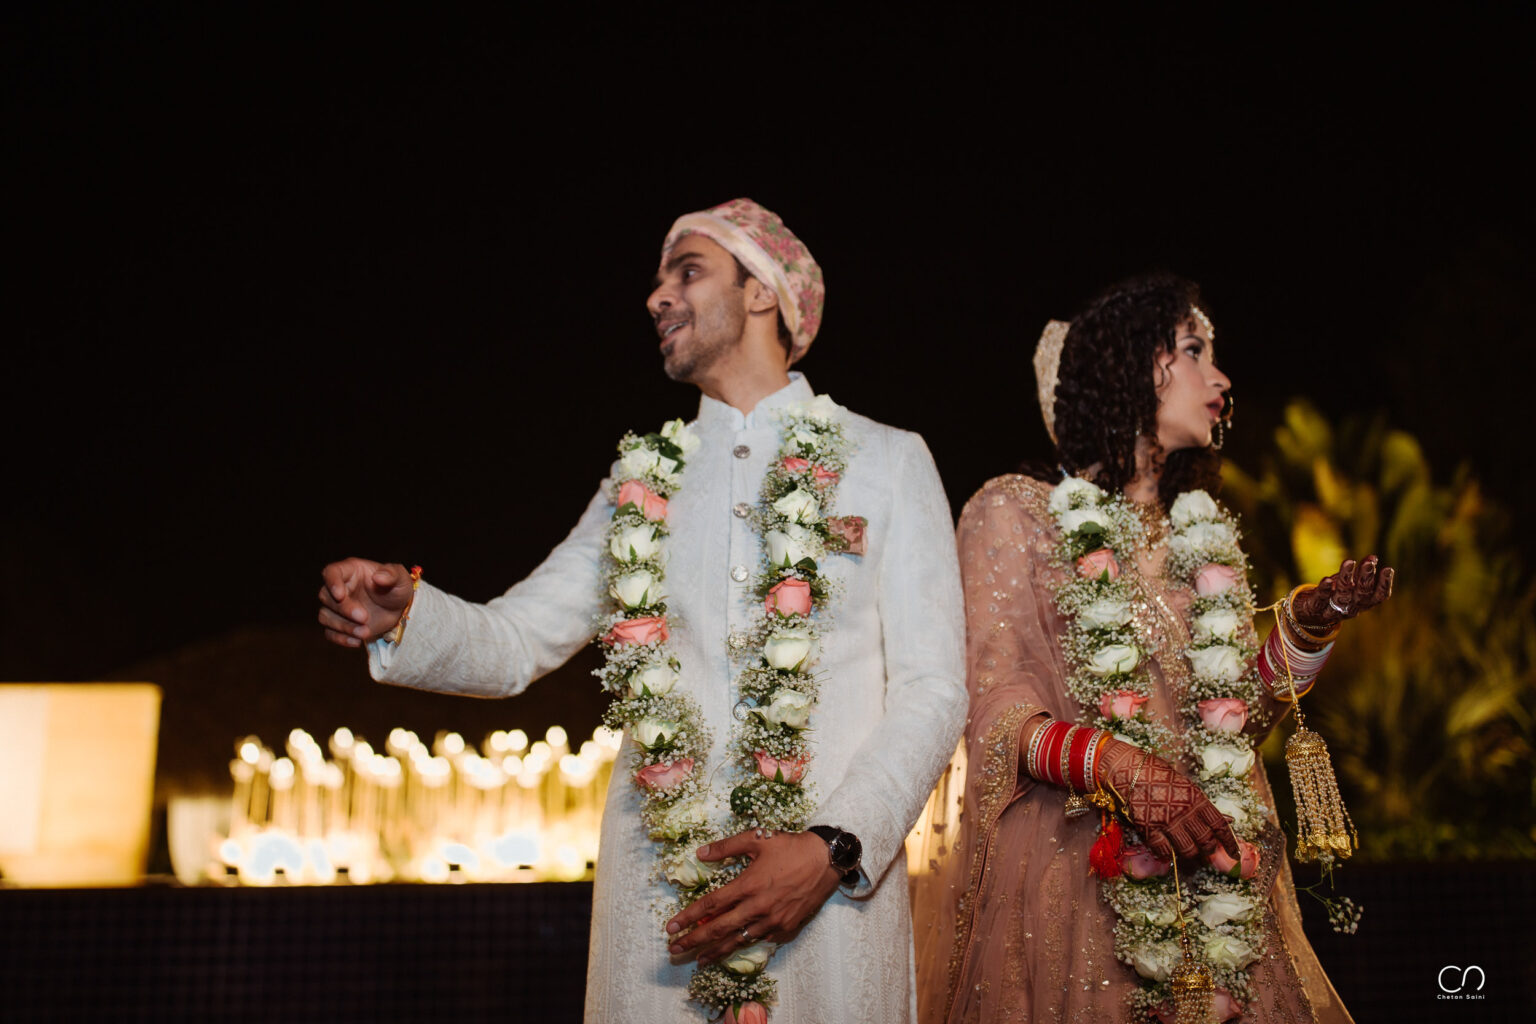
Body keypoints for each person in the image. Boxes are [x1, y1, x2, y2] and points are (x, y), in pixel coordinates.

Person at [318, 198, 966, 1023]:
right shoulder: (640, 484)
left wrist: (834, 845)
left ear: (762, 292)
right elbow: (516, 640)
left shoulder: (887, 462)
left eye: (687, 272)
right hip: (663, 910)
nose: (657, 296)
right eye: (660, 279)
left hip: (830, 908)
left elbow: (933, 687)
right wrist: (407, 615)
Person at [911, 275, 1393, 1023]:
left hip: (1214, 875)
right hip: (1079, 881)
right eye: (1194, 351)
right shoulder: (1015, 511)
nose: (1220, 378)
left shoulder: (1203, 539)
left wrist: (1307, 627)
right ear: (1128, 364)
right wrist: (1120, 765)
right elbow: (995, 712)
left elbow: (1238, 722)